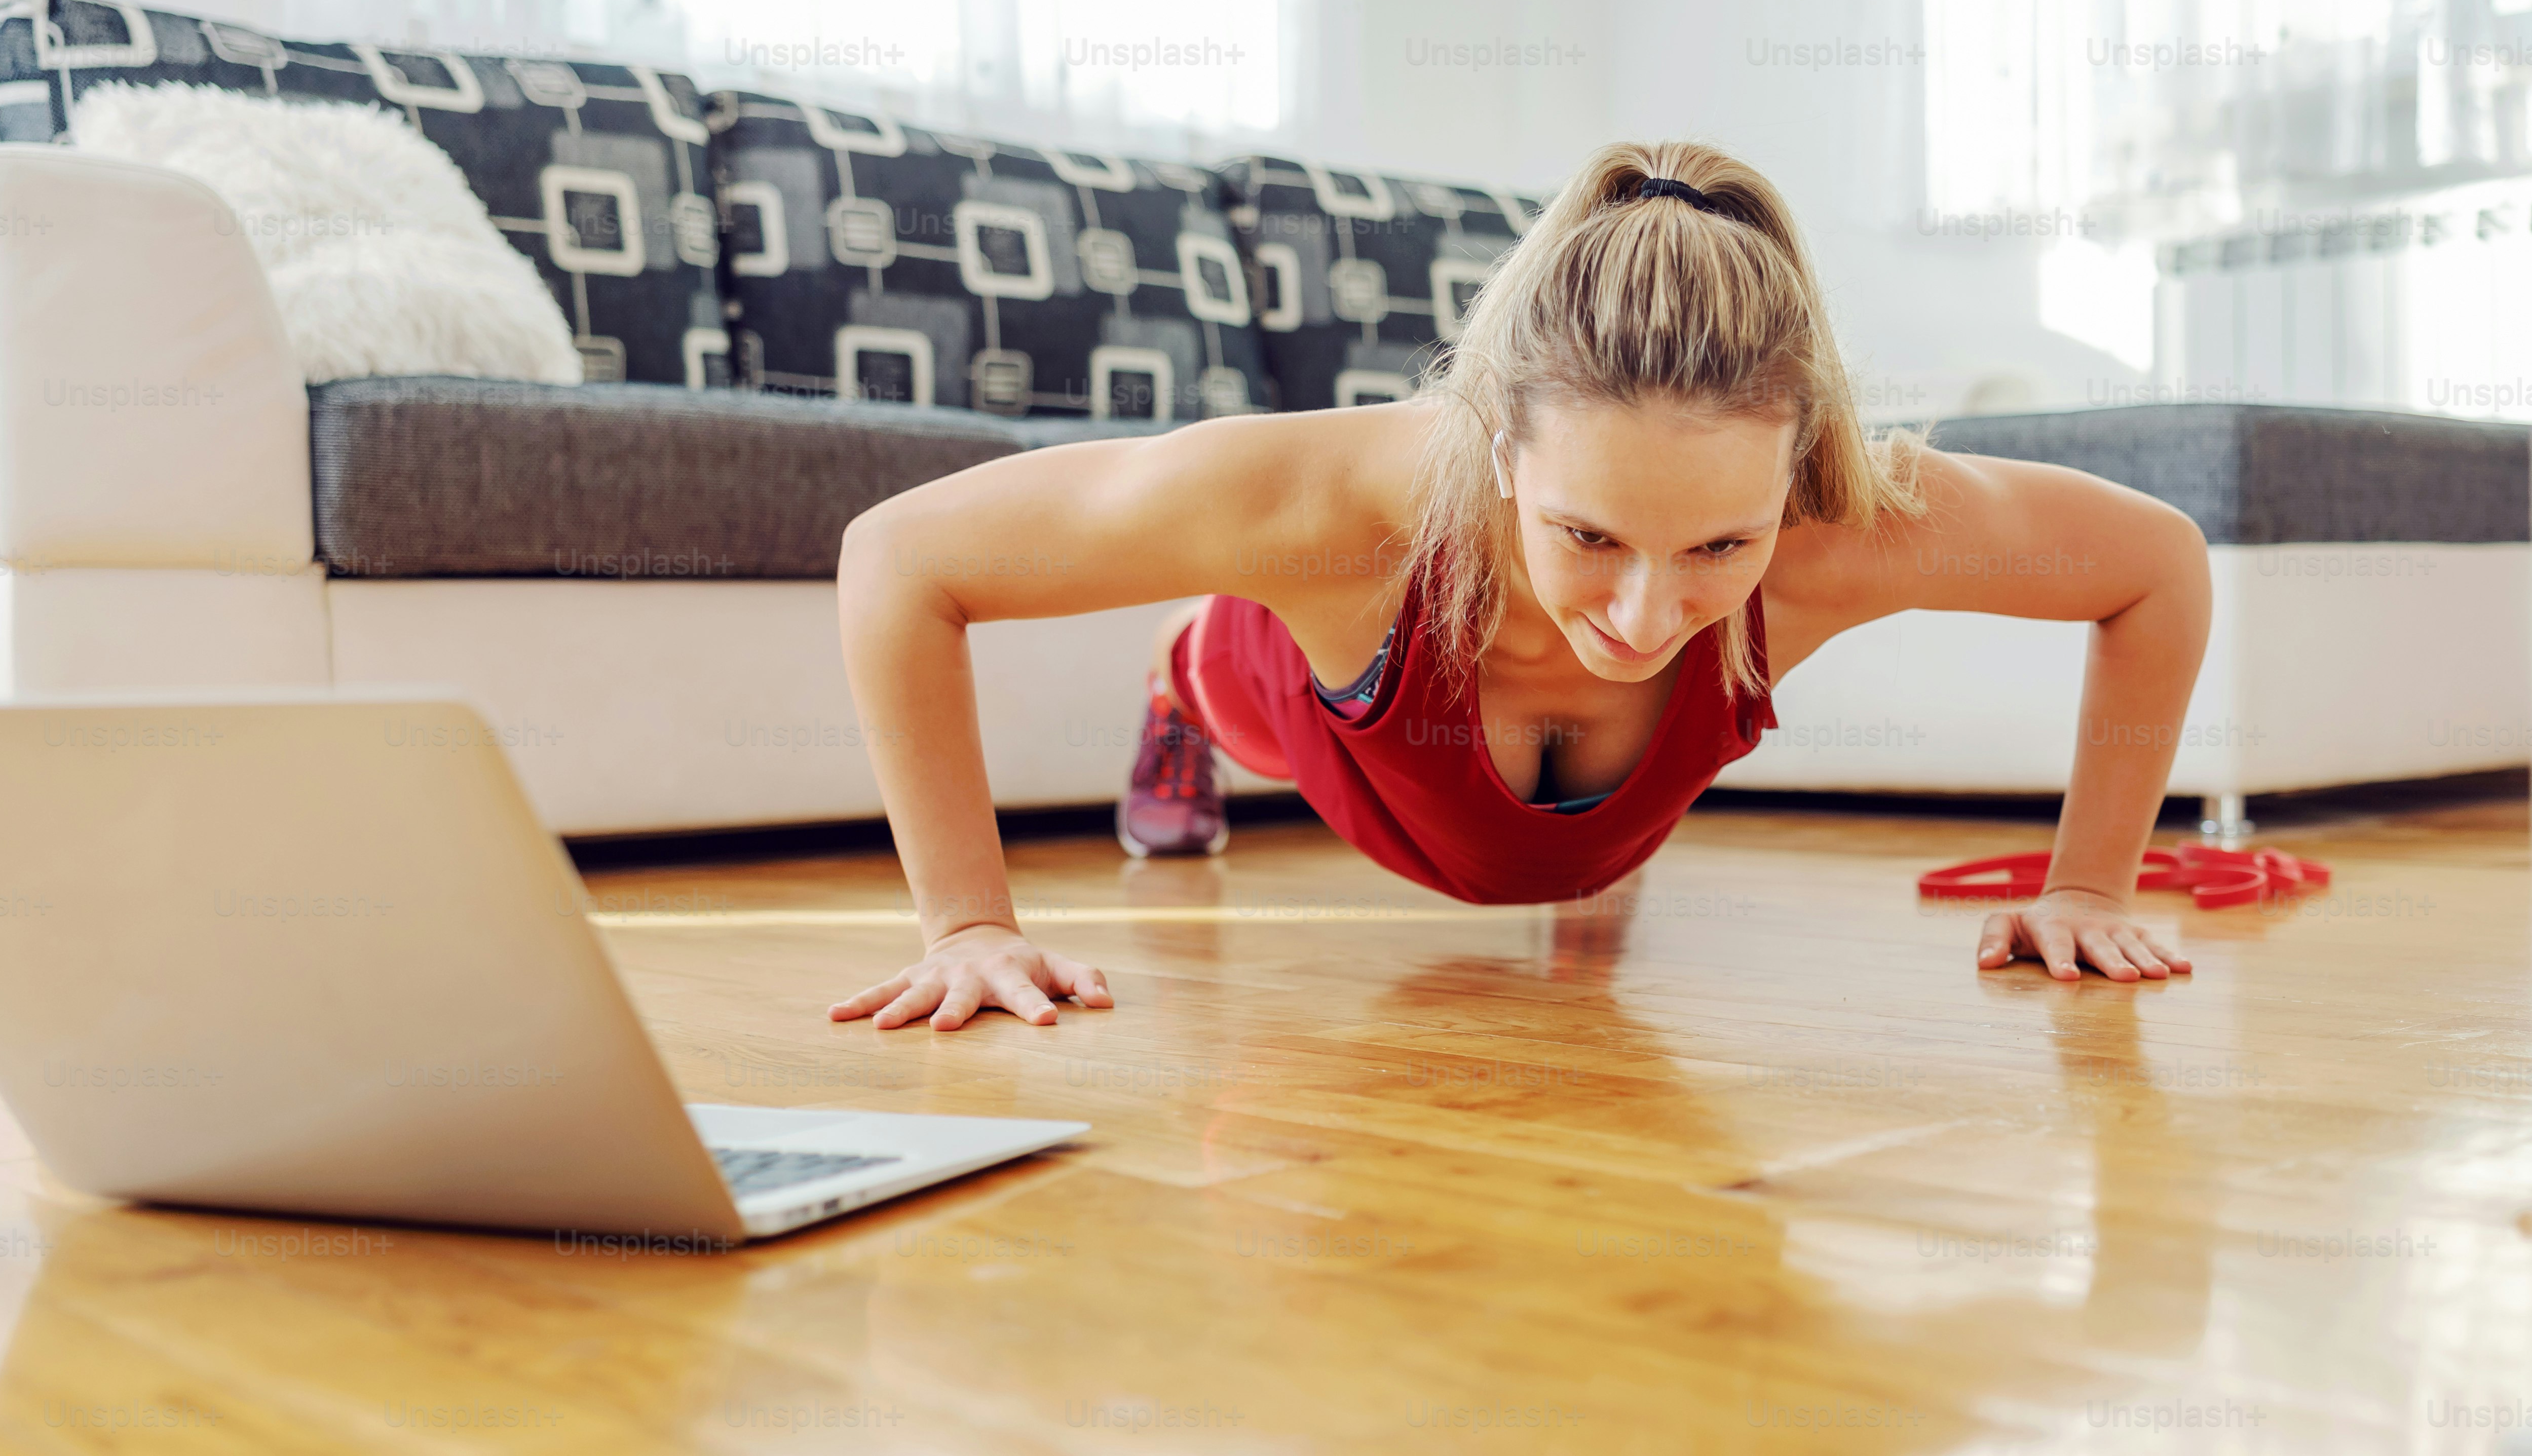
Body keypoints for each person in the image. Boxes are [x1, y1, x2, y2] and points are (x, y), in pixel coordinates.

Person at [828, 140, 2212, 1032]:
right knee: (1230, 685)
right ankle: (1181, 674)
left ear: (1791, 480)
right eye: (1589, 536)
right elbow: (901, 558)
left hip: (1580, 840)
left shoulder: (1846, 527)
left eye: (1719, 549)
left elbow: (2157, 568)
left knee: (1581, 836)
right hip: (1328, 711)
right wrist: (969, 926)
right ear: (1499, 446)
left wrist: (2090, 887)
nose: (1646, 618)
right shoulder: (1327, 505)